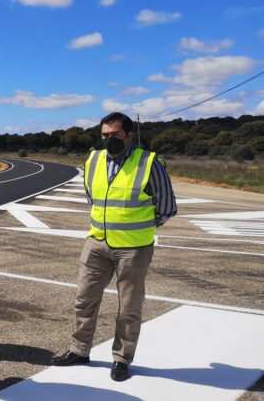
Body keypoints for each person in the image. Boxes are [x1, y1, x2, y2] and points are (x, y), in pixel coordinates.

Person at [51, 111, 177, 382]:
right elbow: (92, 198)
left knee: (129, 307)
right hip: (97, 242)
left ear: (129, 135)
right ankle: (79, 350)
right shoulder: (93, 160)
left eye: (115, 134)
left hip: (134, 248)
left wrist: (137, 227)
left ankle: (121, 358)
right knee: (84, 299)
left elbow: (166, 207)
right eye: (105, 135)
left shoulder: (149, 163)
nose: (109, 139)